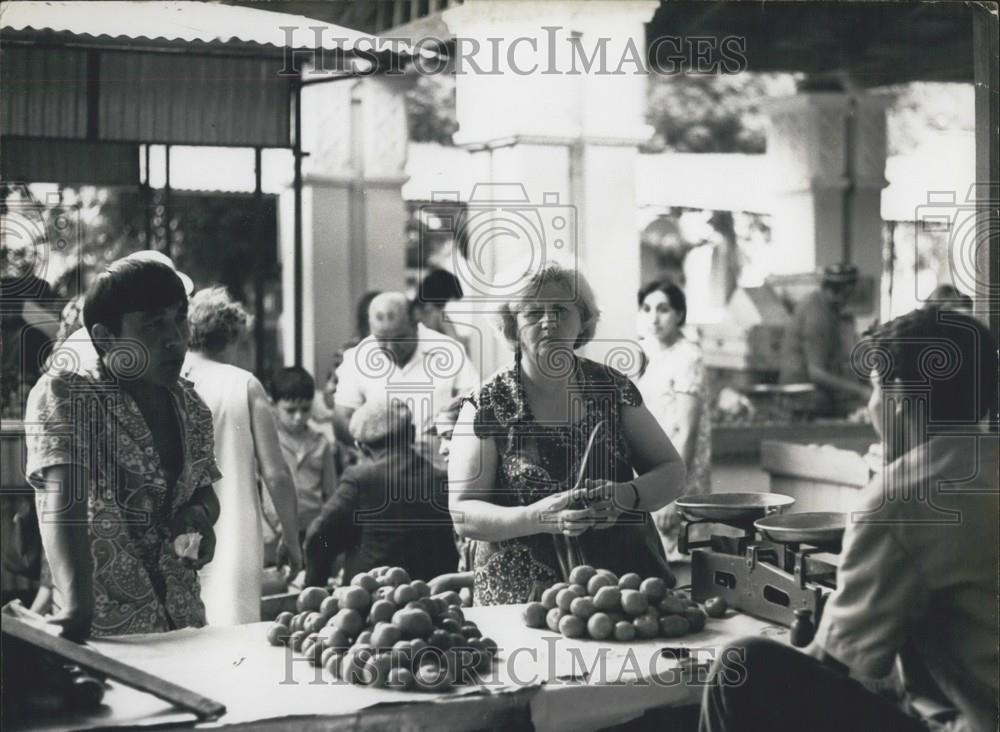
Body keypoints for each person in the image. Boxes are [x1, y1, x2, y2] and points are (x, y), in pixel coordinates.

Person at [699, 308, 998, 732]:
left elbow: (831, 665)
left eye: (875, 389)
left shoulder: (902, 497)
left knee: (743, 666)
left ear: (897, 396)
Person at [447, 262, 687, 606]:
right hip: (524, 601)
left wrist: (626, 496)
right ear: (512, 324)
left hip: (626, 590)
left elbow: (672, 471)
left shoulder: (613, 388)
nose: (549, 321)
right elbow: (463, 513)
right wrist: (536, 517)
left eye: (561, 309)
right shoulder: (487, 402)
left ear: (583, 319)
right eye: (533, 312)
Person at [24, 257, 221, 638]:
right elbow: (63, 503)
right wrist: (78, 606)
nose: (174, 338)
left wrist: (199, 513)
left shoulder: (192, 407)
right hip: (100, 629)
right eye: (152, 324)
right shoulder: (69, 394)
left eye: (179, 318)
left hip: (183, 621)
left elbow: (204, 493)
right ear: (105, 336)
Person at [183, 287, 301, 625]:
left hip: (179, 526)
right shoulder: (243, 384)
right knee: (232, 626)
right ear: (233, 339)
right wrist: (291, 540)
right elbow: (276, 474)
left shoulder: (170, 379)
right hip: (232, 526)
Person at [303, 400, 458, 586]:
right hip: (436, 598)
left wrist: (315, 587)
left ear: (361, 447)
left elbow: (318, 536)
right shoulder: (442, 479)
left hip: (373, 601)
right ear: (411, 433)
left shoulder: (361, 479)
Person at [333, 291, 479, 471]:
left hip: (439, 468)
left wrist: (447, 437)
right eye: (382, 340)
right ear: (371, 328)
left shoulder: (450, 351)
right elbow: (341, 418)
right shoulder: (357, 358)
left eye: (400, 338)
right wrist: (374, 447)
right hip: (380, 473)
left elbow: (475, 408)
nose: (392, 348)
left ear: (415, 322)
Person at [636, 280, 712, 560]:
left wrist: (671, 496)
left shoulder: (688, 357)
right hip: (648, 472)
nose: (653, 317)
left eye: (663, 309)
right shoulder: (645, 351)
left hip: (678, 476)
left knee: (679, 564)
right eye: (647, 309)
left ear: (679, 314)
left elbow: (687, 432)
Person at [779, 263, 869, 417]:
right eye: (848, 295)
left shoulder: (817, 303)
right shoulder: (818, 317)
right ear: (844, 291)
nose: (847, 302)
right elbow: (817, 373)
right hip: (804, 397)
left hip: (807, 391)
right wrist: (861, 391)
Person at [268, 367, 337, 539]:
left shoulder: (321, 443)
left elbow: (331, 493)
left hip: (312, 529)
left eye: (305, 409)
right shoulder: (267, 444)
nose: (298, 417)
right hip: (275, 529)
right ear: (273, 406)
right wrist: (266, 528)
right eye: (290, 410)